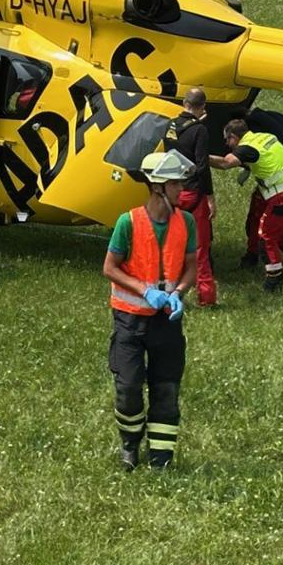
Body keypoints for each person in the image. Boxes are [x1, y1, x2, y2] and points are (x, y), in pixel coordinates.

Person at [103, 150, 197, 472]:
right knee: (128, 387)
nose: (182, 189)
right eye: (176, 184)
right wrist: (145, 291)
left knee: (166, 388)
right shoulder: (128, 222)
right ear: (158, 187)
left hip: (166, 324)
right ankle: (130, 444)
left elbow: (191, 268)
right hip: (130, 321)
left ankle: (161, 457)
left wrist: (178, 293)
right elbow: (110, 268)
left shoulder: (186, 222)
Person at [212, 118, 283, 291]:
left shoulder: (247, 148)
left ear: (234, 137)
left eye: (227, 140)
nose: (227, 144)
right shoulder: (265, 137)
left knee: (266, 236)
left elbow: (225, 163)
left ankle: (274, 280)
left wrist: (196, 154)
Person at [235, 109, 283, 270]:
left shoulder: (255, 130)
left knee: (267, 233)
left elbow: (227, 162)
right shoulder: (267, 124)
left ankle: (273, 275)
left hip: (280, 189)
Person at [170, 87, 217, 307]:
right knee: (200, 248)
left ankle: (168, 294)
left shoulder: (170, 126)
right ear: (202, 107)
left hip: (173, 193)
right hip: (194, 194)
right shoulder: (200, 131)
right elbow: (202, 166)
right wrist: (210, 196)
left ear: (183, 102)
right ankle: (206, 297)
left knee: (172, 246)